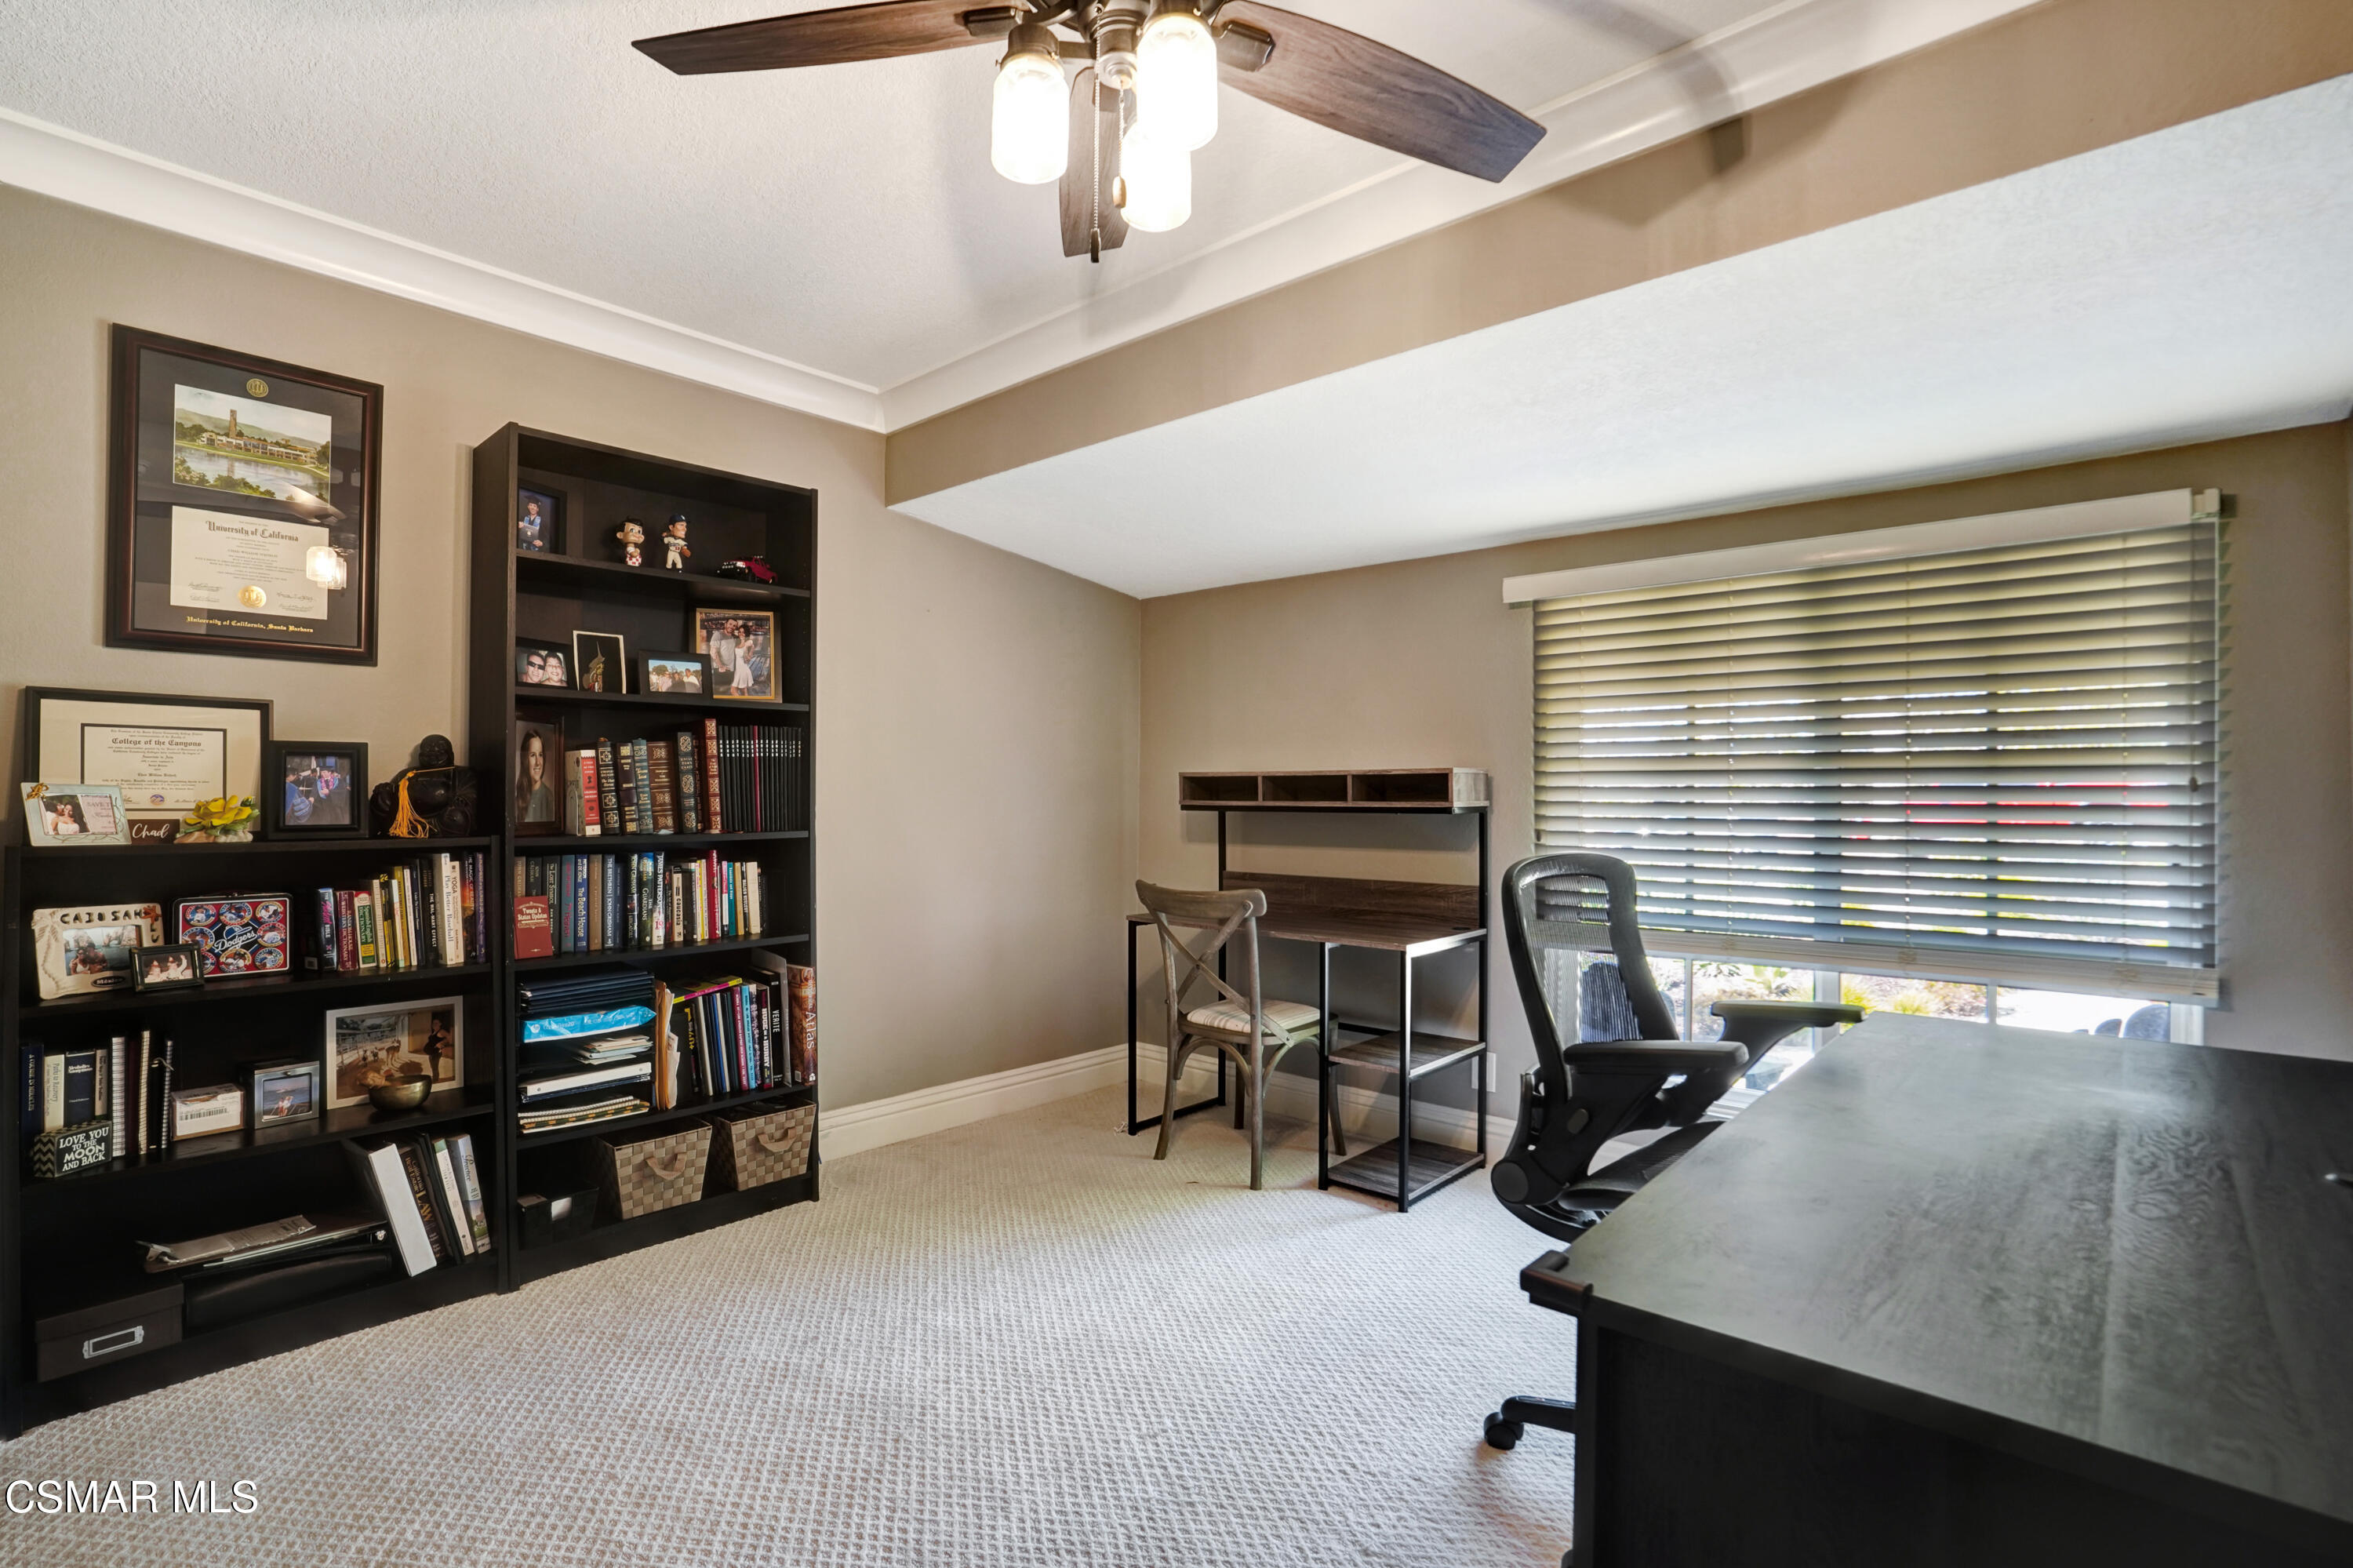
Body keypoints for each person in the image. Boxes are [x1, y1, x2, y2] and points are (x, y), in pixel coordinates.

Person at [514, 729, 555, 824]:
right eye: (533, 755)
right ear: (525, 759)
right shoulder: (518, 797)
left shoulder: (549, 798)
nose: (538, 762)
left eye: (540, 755)